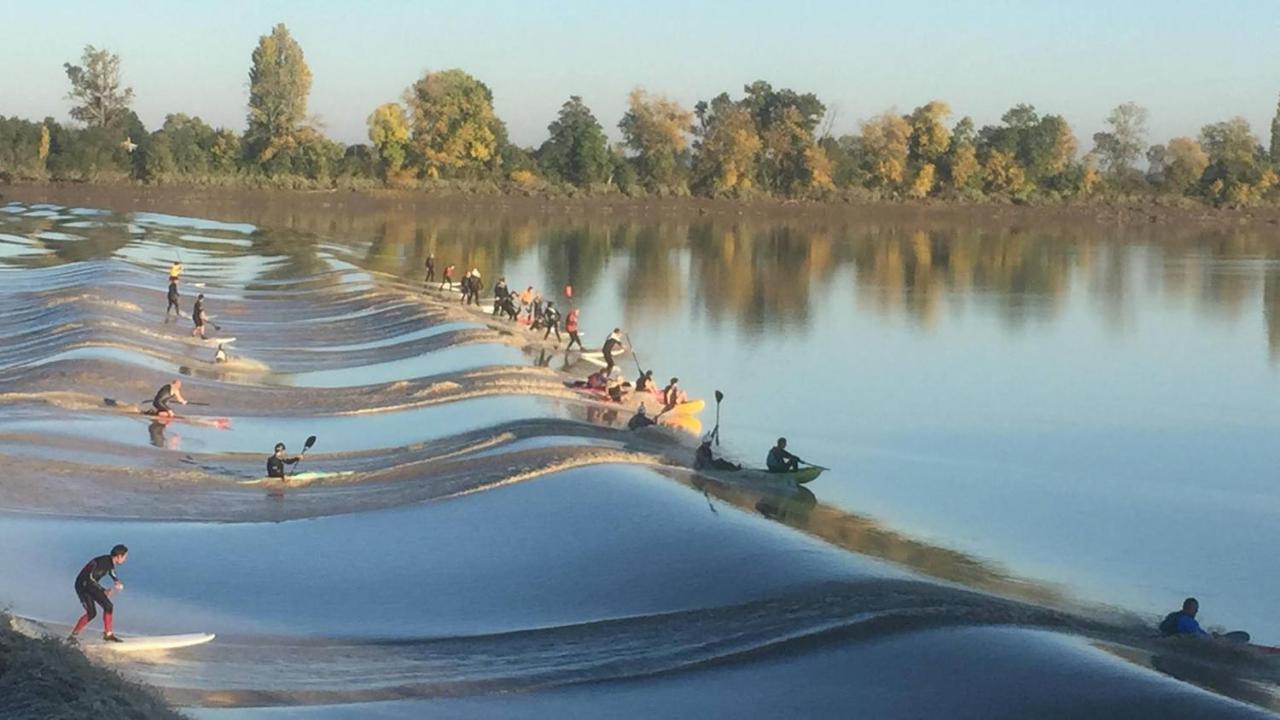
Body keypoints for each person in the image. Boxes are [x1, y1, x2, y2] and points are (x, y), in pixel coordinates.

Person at [69, 544, 129, 643]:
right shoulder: (103, 563)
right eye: (125, 557)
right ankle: (73, 636)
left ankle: (108, 634)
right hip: (83, 586)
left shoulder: (108, 560)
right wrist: (103, 590)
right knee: (93, 612)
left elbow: (111, 570)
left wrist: (116, 580)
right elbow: (90, 578)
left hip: (89, 584)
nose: (125, 559)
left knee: (107, 606)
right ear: (119, 556)